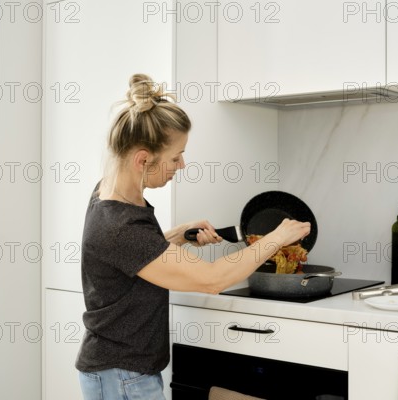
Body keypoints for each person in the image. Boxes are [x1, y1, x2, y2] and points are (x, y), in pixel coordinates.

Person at [75, 73, 311, 400]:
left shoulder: (109, 193)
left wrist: (178, 236)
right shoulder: (121, 226)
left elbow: (136, 258)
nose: (181, 165)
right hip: (122, 378)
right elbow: (212, 279)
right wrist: (277, 236)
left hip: (120, 372)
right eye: (175, 157)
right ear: (143, 159)